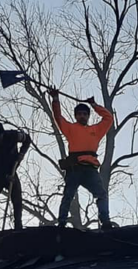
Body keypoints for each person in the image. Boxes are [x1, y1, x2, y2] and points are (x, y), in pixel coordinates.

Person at [50, 89, 117, 229]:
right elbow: (58, 117)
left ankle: (105, 221)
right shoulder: (70, 128)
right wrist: (55, 99)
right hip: (74, 168)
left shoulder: (95, 130)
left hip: (90, 169)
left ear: (88, 116)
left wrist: (94, 105)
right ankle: (61, 222)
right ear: (75, 116)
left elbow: (108, 118)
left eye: (85, 114)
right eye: (79, 114)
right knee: (68, 195)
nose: (82, 116)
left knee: (101, 195)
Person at [0, 119, 31, 239]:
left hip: (12, 171)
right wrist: (5, 177)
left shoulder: (13, 135)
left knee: (17, 198)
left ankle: (18, 227)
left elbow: (27, 139)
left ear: (2, 134)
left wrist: (22, 154)